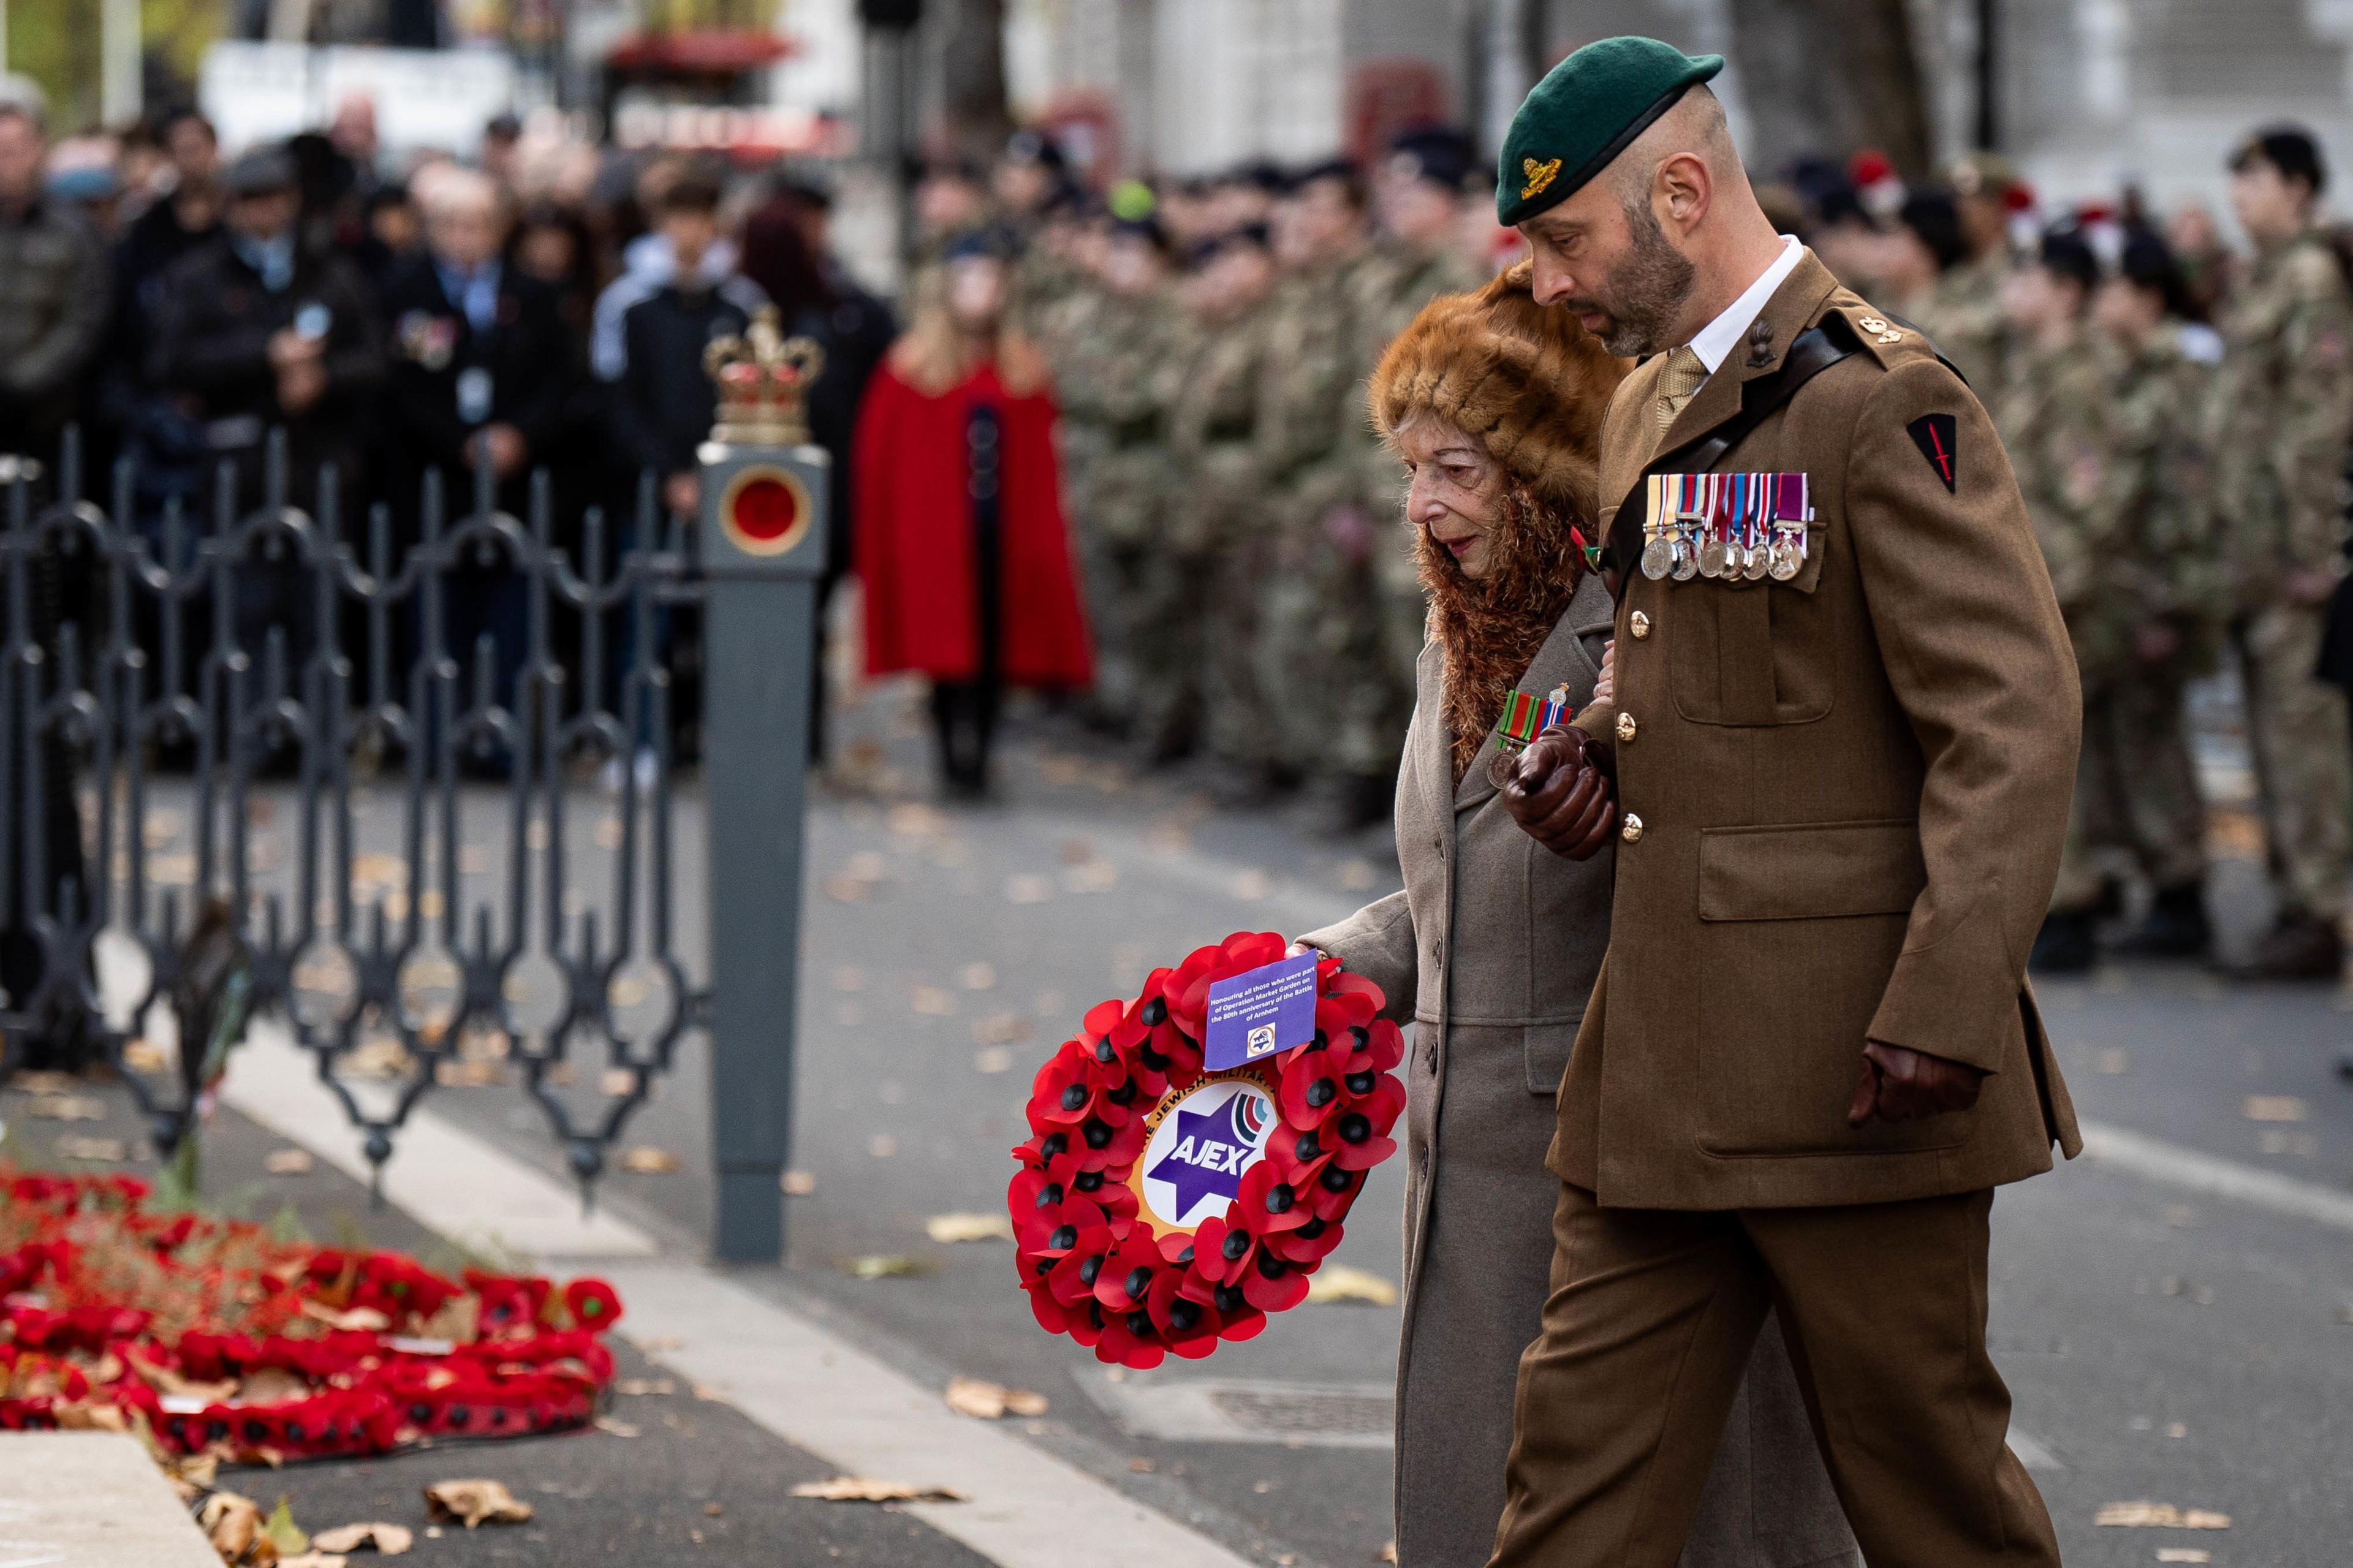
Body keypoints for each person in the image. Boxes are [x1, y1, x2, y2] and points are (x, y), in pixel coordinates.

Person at [1491, 37, 2080, 1567]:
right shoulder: (1645, 406)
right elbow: (1708, 683)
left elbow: (2008, 720)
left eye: (1562, 240)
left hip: (1852, 1070)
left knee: (1930, 1492)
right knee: (1570, 1487)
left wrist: (1947, 1006)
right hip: (1663, 1060)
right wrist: (1594, 756)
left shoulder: (1883, 404)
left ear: (1679, 194)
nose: (1547, 286)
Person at [1296, 265, 1857, 1568]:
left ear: (1547, 473)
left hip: (1616, 1167)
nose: (1423, 508)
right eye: (1412, 469)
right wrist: (1294, 979)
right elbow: (1459, 883)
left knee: (1679, 1523)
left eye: (1459, 470)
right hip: (1472, 1166)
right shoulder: (1464, 630)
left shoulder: (1658, 624)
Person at [852, 231, 1092, 798]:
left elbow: (1042, 460)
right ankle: (949, 760)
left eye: (989, 280)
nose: (979, 293)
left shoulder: (1023, 367)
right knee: (944, 654)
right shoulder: (910, 367)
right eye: (968, 280)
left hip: (1001, 531)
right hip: (936, 536)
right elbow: (881, 462)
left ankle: (982, 757)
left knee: (993, 646)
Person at [2204, 125, 2353, 979]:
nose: (2239, 196)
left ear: (2299, 187)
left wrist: (2310, 547)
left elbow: (2317, 418)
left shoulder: (2308, 279)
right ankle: (2294, 893)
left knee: (2303, 736)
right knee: (2267, 726)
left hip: (2291, 555)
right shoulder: (2259, 278)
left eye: (2254, 179)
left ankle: (2319, 905)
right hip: (2251, 552)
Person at [379, 166, 580, 715]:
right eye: (453, 224)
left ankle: (505, 731)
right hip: (435, 480)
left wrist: (518, 434)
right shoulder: (405, 292)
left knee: (514, 615)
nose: (466, 237)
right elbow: (400, 389)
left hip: (515, 482)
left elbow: (561, 381)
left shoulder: (535, 296)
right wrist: (458, 441)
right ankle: (439, 730)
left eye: (479, 224)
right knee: (435, 615)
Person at [2086, 228, 2226, 958]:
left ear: (2147, 297)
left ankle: (2183, 888)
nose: (2101, 301)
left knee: (2156, 748)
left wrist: (2173, 603)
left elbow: (2189, 503)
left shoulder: (2177, 374)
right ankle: (2156, 879)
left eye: (2113, 289)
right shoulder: (2128, 370)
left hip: (2157, 596)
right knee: (2129, 745)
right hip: (2125, 592)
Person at [1996, 227, 2122, 972]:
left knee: (2053, 749)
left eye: (2031, 275)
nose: (2017, 289)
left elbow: (2090, 503)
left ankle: (2071, 900)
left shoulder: (2075, 378)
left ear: (2067, 292)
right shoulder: (2038, 366)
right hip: (2038, 579)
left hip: (2060, 589)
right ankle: (2060, 894)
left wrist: (2052, 590)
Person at [738, 175, 896, 765]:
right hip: (762, 493)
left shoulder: (842, 307)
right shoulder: (746, 311)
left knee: (804, 621)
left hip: (820, 492)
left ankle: (798, 736)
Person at [1255, 159, 1390, 827]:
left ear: (1354, 214)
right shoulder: (1311, 287)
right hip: (1306, 485)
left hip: (1349, 483)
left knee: (1354, 638)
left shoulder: (1365, 288)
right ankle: (1336, 768)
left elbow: (1363, 399)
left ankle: (1366, 780)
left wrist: (1354, 493)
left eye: (1322, 206)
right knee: (1319, 632)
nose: (1307, 220)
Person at [1172, 225, 1280, 797]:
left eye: (1240, 259)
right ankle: (1238, 745)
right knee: (1225, 631)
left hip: (1252, 503)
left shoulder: (1270, 329)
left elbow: (1275, 427)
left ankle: (1261, 753)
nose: (1226, 274)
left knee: (1252, 628)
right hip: (1215, 502)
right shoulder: (1219, 328)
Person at [0, 92, 107, 464]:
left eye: (16, 147)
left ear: (39, 149)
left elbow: (86, 318)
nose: (7, 160)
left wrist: (25, 380)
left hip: (51, 418)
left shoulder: (74, 232)